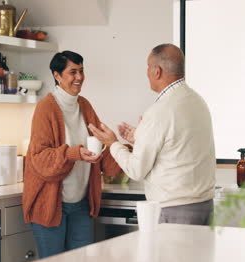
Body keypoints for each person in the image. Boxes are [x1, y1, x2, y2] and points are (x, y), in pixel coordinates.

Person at [89, 43, 216, 225]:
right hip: (204, 207)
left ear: (157, 71)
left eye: (148, 67)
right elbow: (178, 142)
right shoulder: (197, 101)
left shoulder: (159, 111)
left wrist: (113, 144)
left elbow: (136, 170)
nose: (147, 73)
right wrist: (140, 136)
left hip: (175, 210)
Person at [22, 50, 122, 258]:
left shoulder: (84, 106)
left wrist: (117, 145)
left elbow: (100, 146)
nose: (79, 78)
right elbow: (39, 159)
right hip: (49, 204)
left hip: (81, 203)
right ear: (57, 75)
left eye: (82, 71)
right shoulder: (45, 108)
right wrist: (73, 153)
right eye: (73, 72)